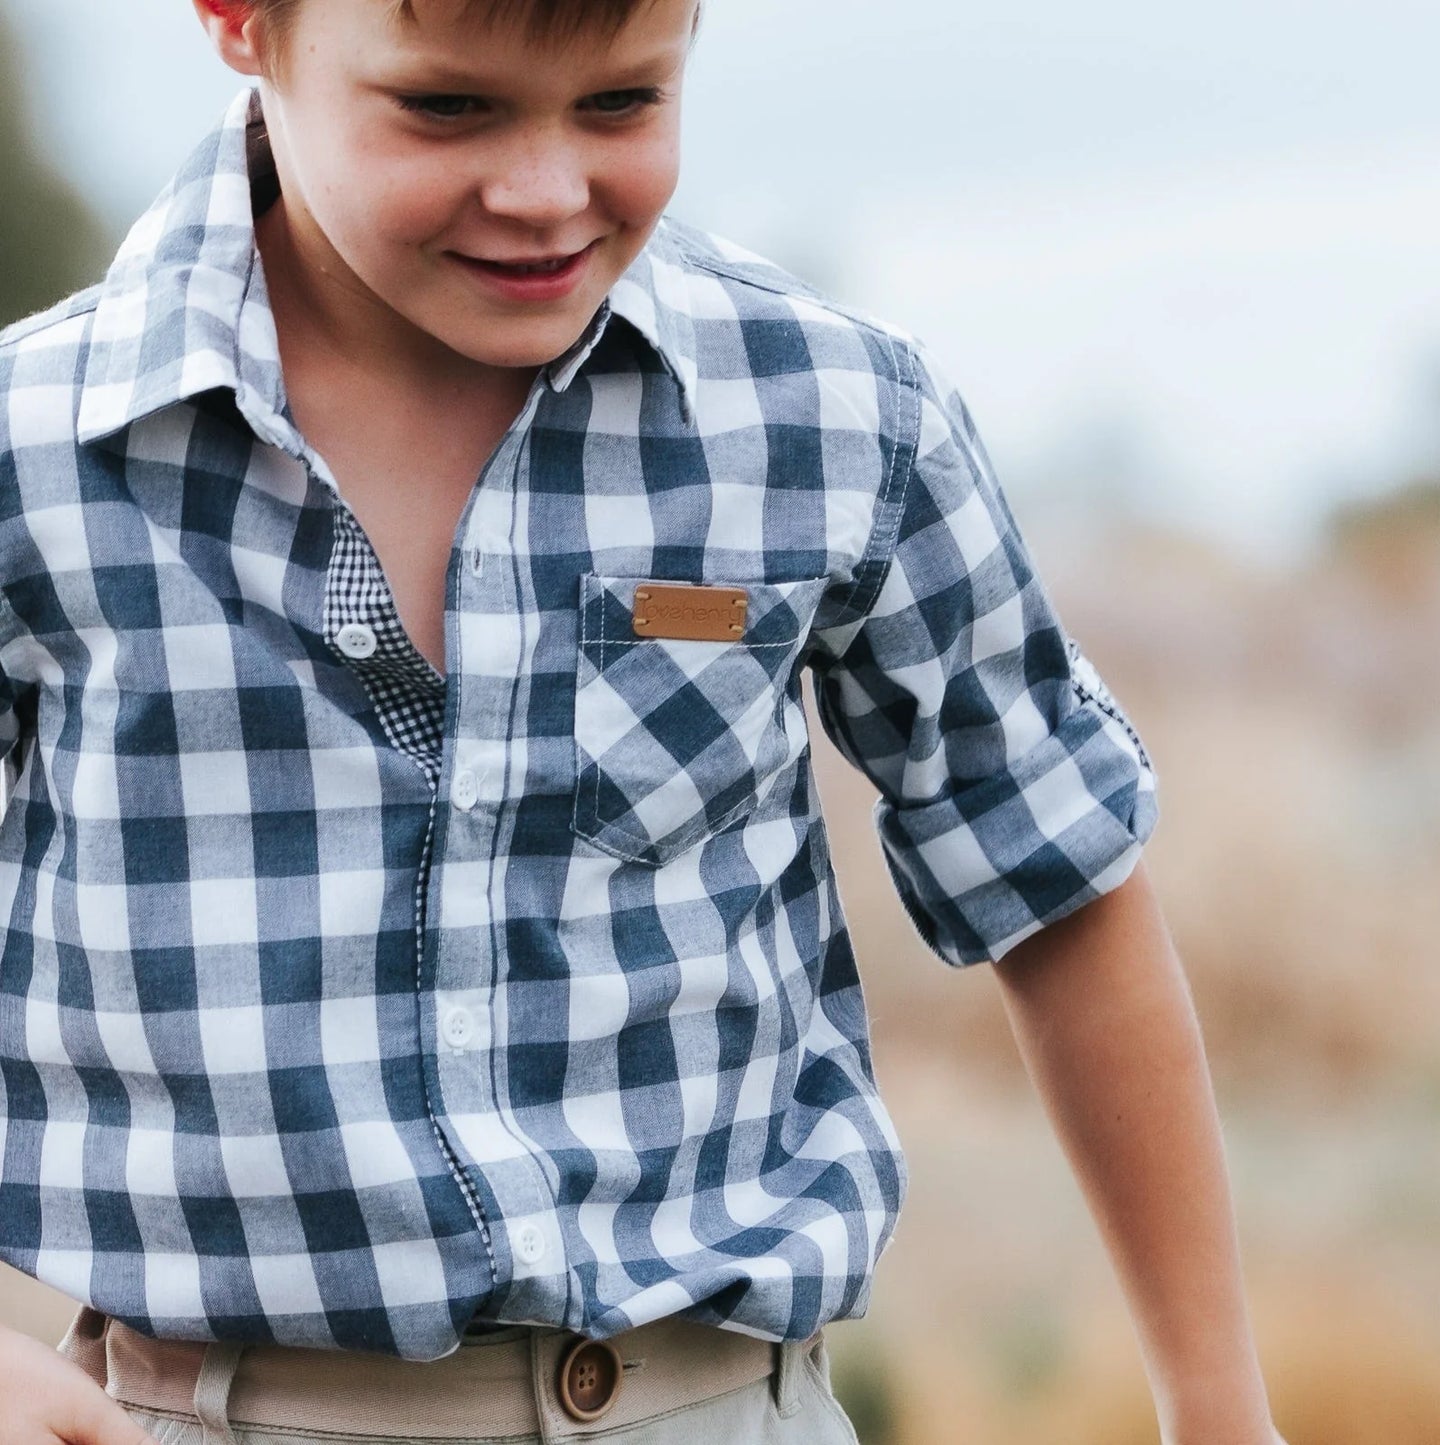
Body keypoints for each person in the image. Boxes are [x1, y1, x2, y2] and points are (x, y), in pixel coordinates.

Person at [0, 1, 1288, 1442]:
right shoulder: (35, 451)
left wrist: (1218, 1405)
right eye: (446, 110)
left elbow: (1058, 889)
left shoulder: (830, 419)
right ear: (244, 24)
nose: (546, 191)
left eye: (619, 104)